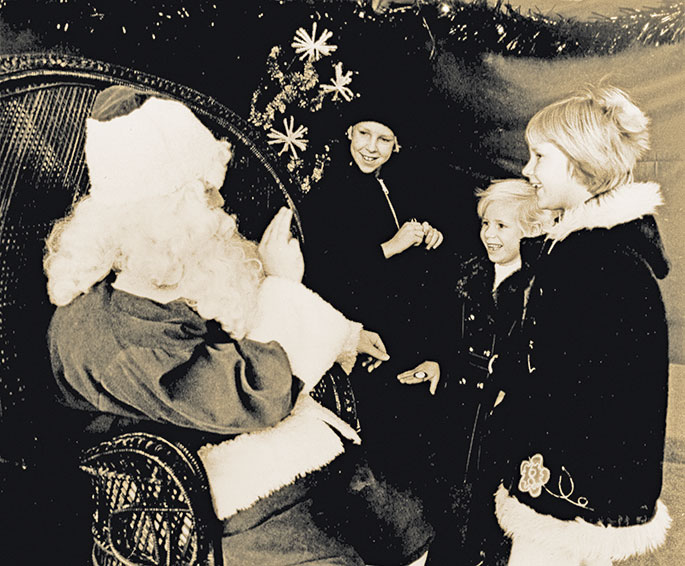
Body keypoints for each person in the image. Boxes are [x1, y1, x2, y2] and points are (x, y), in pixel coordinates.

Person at [44, 86, 434, 566]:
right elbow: (251, 393)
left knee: (402, 518)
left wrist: (341, 331)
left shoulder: (156, 271)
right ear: (163, 219)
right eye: (207, 200)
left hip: (240, 442)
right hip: (189, 495)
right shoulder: (107, 333)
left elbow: (229, 331)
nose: (221, 214)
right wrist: (282, 285)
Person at [485, 85, 671, 565]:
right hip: (593, 486)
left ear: (581, 161)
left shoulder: (593, 263)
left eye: (540, 156)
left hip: (566, 490)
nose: (527, 171)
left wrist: (510, 427)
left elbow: (562, 383)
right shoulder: (597, 253)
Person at [400, 178, 552, 565]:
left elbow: (538, 362)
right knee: (448, 503)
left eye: (502, 226)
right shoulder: (471, 274)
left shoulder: (538, 290)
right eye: (486, 224)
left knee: (487, 512)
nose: (489, 235)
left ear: (531, 229)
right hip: (459, 410)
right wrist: (437, 362)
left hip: (501, 421)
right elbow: (449, 337)